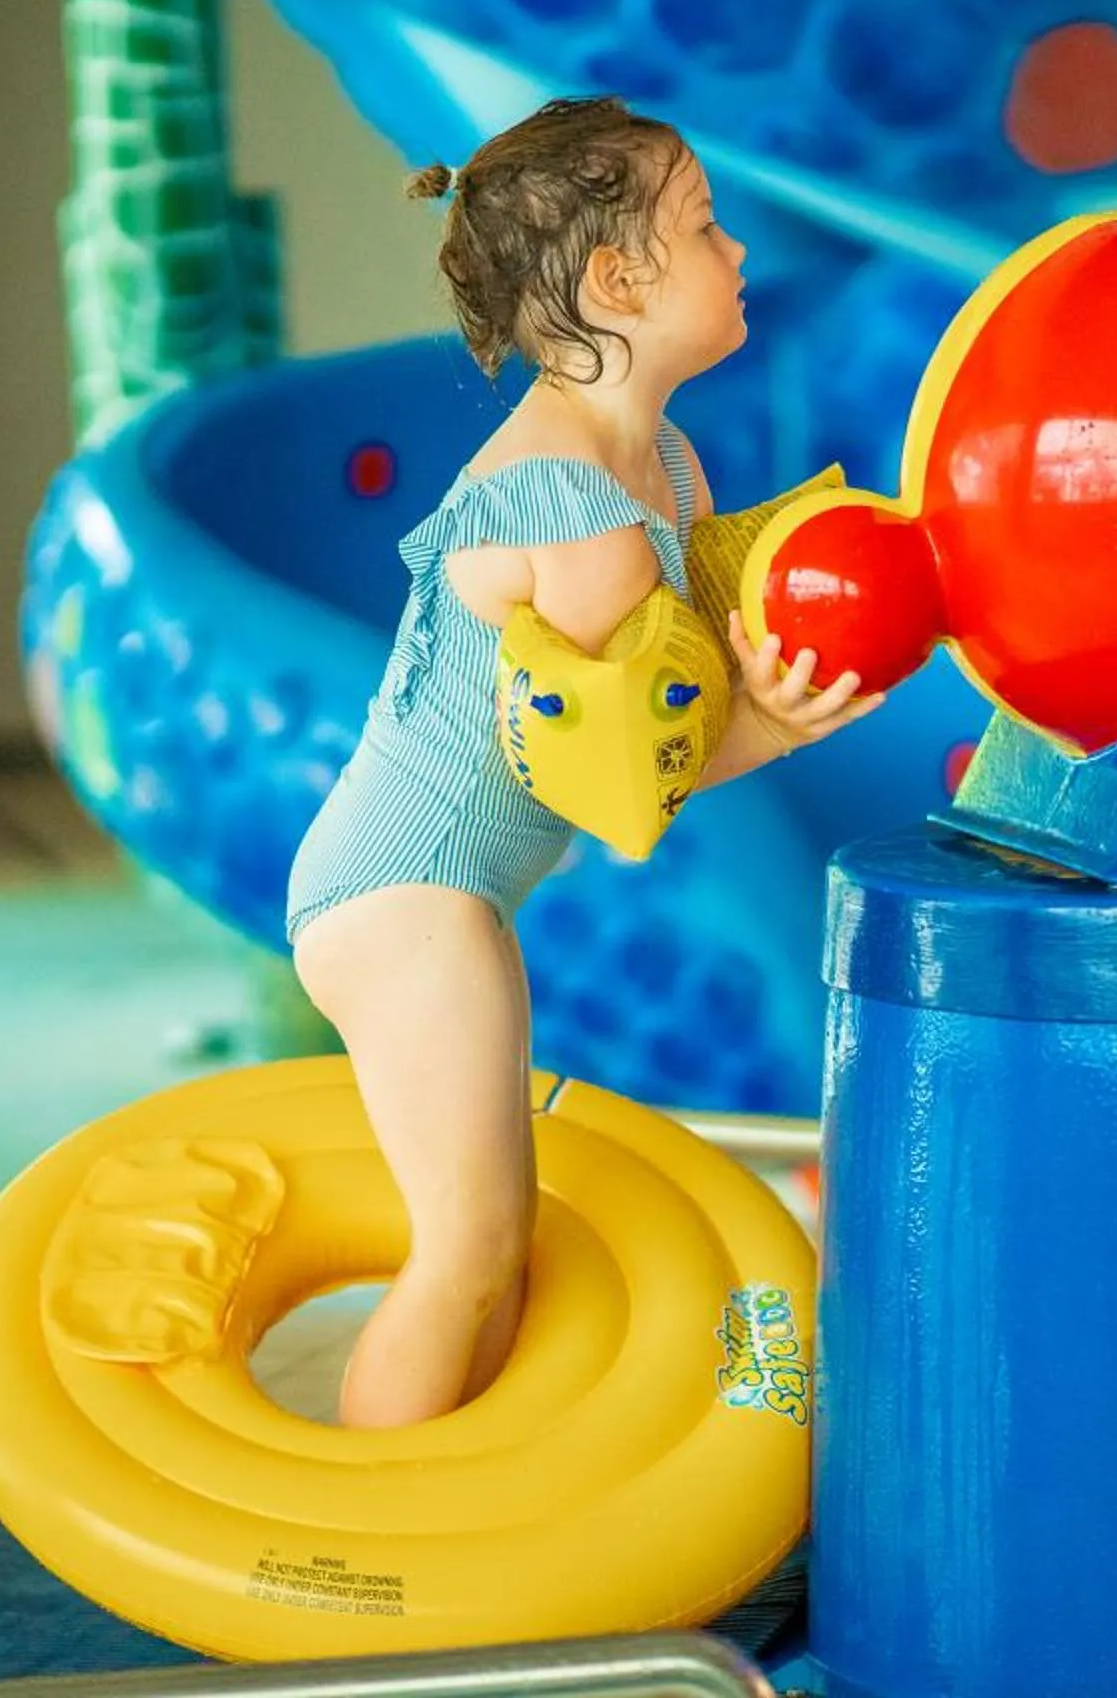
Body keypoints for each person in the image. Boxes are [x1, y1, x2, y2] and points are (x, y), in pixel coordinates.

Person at [285, 97, 880, 1430]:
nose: (738, 254)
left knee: (497, 1249)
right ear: (617, 280)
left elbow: (676, 696)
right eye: (709, 227)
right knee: (468, 1249)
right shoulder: (576, 511)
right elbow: (617, 777)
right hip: (405, 893)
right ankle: (381, 1548)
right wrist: (773, 723)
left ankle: (454, 1502)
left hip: (435, 892)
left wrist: (778, 686)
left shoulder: (659, 464)